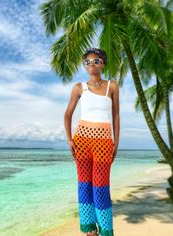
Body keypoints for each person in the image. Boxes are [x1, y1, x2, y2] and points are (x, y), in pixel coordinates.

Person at [64, 47, 120, 236]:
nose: (92, 64)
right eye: (88, 61)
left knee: (100, 188)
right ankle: (90, 231)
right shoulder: (79, 88)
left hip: (104, 142)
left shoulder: (112, 86)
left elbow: (116, 116)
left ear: (103, 63)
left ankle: (105, 231)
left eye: (96, 61)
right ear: (84, 65)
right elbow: (67, 115)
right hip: (82, 140)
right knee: (84, 186)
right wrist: (69, 139)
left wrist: (116, 144)